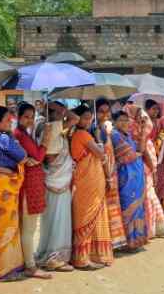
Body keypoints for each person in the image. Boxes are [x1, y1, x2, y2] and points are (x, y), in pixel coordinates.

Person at [0, 106, 30, 282]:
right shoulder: (3, 138)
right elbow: (22, 156)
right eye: (7, 120)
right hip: (3, 184)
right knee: (5, 225)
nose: (11, 122)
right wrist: (13, 139)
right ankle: (3, 271)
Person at [12, 103, 54, 279]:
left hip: (33, 183)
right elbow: (37, 156)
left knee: (27, 226)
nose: (29, 120)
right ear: (18, 116)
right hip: (28, 186)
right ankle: (30, 266)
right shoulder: (19, 135)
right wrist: (46, 140)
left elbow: (35, 158)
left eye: (32, 116)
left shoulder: (24, 134)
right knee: (29, 228)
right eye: (26, 116)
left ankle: (27, 261)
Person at [70, 105, 114, 270]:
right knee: (86, 216)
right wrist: (98, 138)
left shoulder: (80, 133)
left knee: (91, 215)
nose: (88, 120)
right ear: (78, 119)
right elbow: (101, 154)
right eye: (85, 117)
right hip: (87, 181)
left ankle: (92, 255)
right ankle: (82, 258)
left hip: (91, 180)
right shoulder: (81, 134)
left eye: (90, 117)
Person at [37, 102, 77, 272]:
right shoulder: (53, 128)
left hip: (56, 179)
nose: (64, 115)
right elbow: (51, 159)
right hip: (57, 179)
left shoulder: (52, 127)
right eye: (60, 112)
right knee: (58, 220)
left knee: (53, 219)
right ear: (54, 113)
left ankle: (50, 255)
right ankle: (54, 258)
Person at [91, 101, 128, 250]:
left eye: (107, 112)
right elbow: (100, 155)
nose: (105, 115)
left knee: (113, 206)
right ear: (95, 112)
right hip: (101, 173)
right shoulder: (94, 130)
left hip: (112, 171)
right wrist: (106, 176)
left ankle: (115, 241)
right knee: (103, 208)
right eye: (101, 111)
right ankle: (104, 243)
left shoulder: (107, 130)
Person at [111, 111, 150, 249]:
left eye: (126, 120)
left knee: (138, 207)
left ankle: (137, 240)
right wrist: (138, 153)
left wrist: (144, 133)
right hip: (126, 177)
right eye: (121, 120)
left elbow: (140, 150)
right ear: (114, 121)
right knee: (127, 205)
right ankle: (127, 242)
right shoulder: (114, 134)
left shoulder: (127, 135)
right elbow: (129, 155)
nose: (124, 123)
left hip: (137, 176)